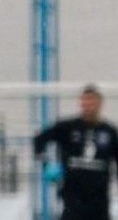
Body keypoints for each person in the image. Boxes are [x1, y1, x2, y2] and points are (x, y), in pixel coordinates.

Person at [33, 84, 118, 220]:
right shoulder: (67, 127)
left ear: (100, 103)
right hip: (73, 199)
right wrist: (47, 165)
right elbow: (39, 140)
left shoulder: (109, 131)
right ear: (81, 103)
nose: (88, 104)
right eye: (85, 100)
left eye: (92, 100)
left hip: (99, 200)